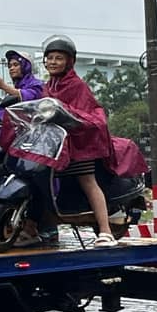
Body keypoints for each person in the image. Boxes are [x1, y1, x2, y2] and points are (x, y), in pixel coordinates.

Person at [39, 35, 118, 243]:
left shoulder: (77, 85)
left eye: (58, 58)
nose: (53, 62)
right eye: (50, 58)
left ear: (69, 61)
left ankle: (106, 230)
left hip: (79, 144)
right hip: (55, 145)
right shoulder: (49, 86)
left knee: (88, 182)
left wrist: (65, 111)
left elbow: (87, 114)